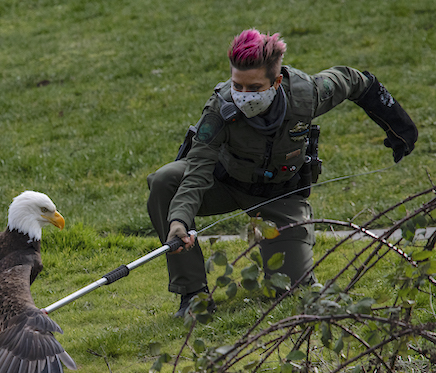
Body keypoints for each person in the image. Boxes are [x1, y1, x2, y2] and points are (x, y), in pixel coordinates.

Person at [147, 28, 418, 318]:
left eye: (254, 88)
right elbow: (198, 170)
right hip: (224, 184)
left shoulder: (307, 93)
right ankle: (193, 296)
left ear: (276, 81)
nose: (243, 95)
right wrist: (179, 222)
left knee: (291, 291)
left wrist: (397, 123)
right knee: (166, 181)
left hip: (281, 196)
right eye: (237, 85)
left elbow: (355, 80)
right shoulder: (219, 108)